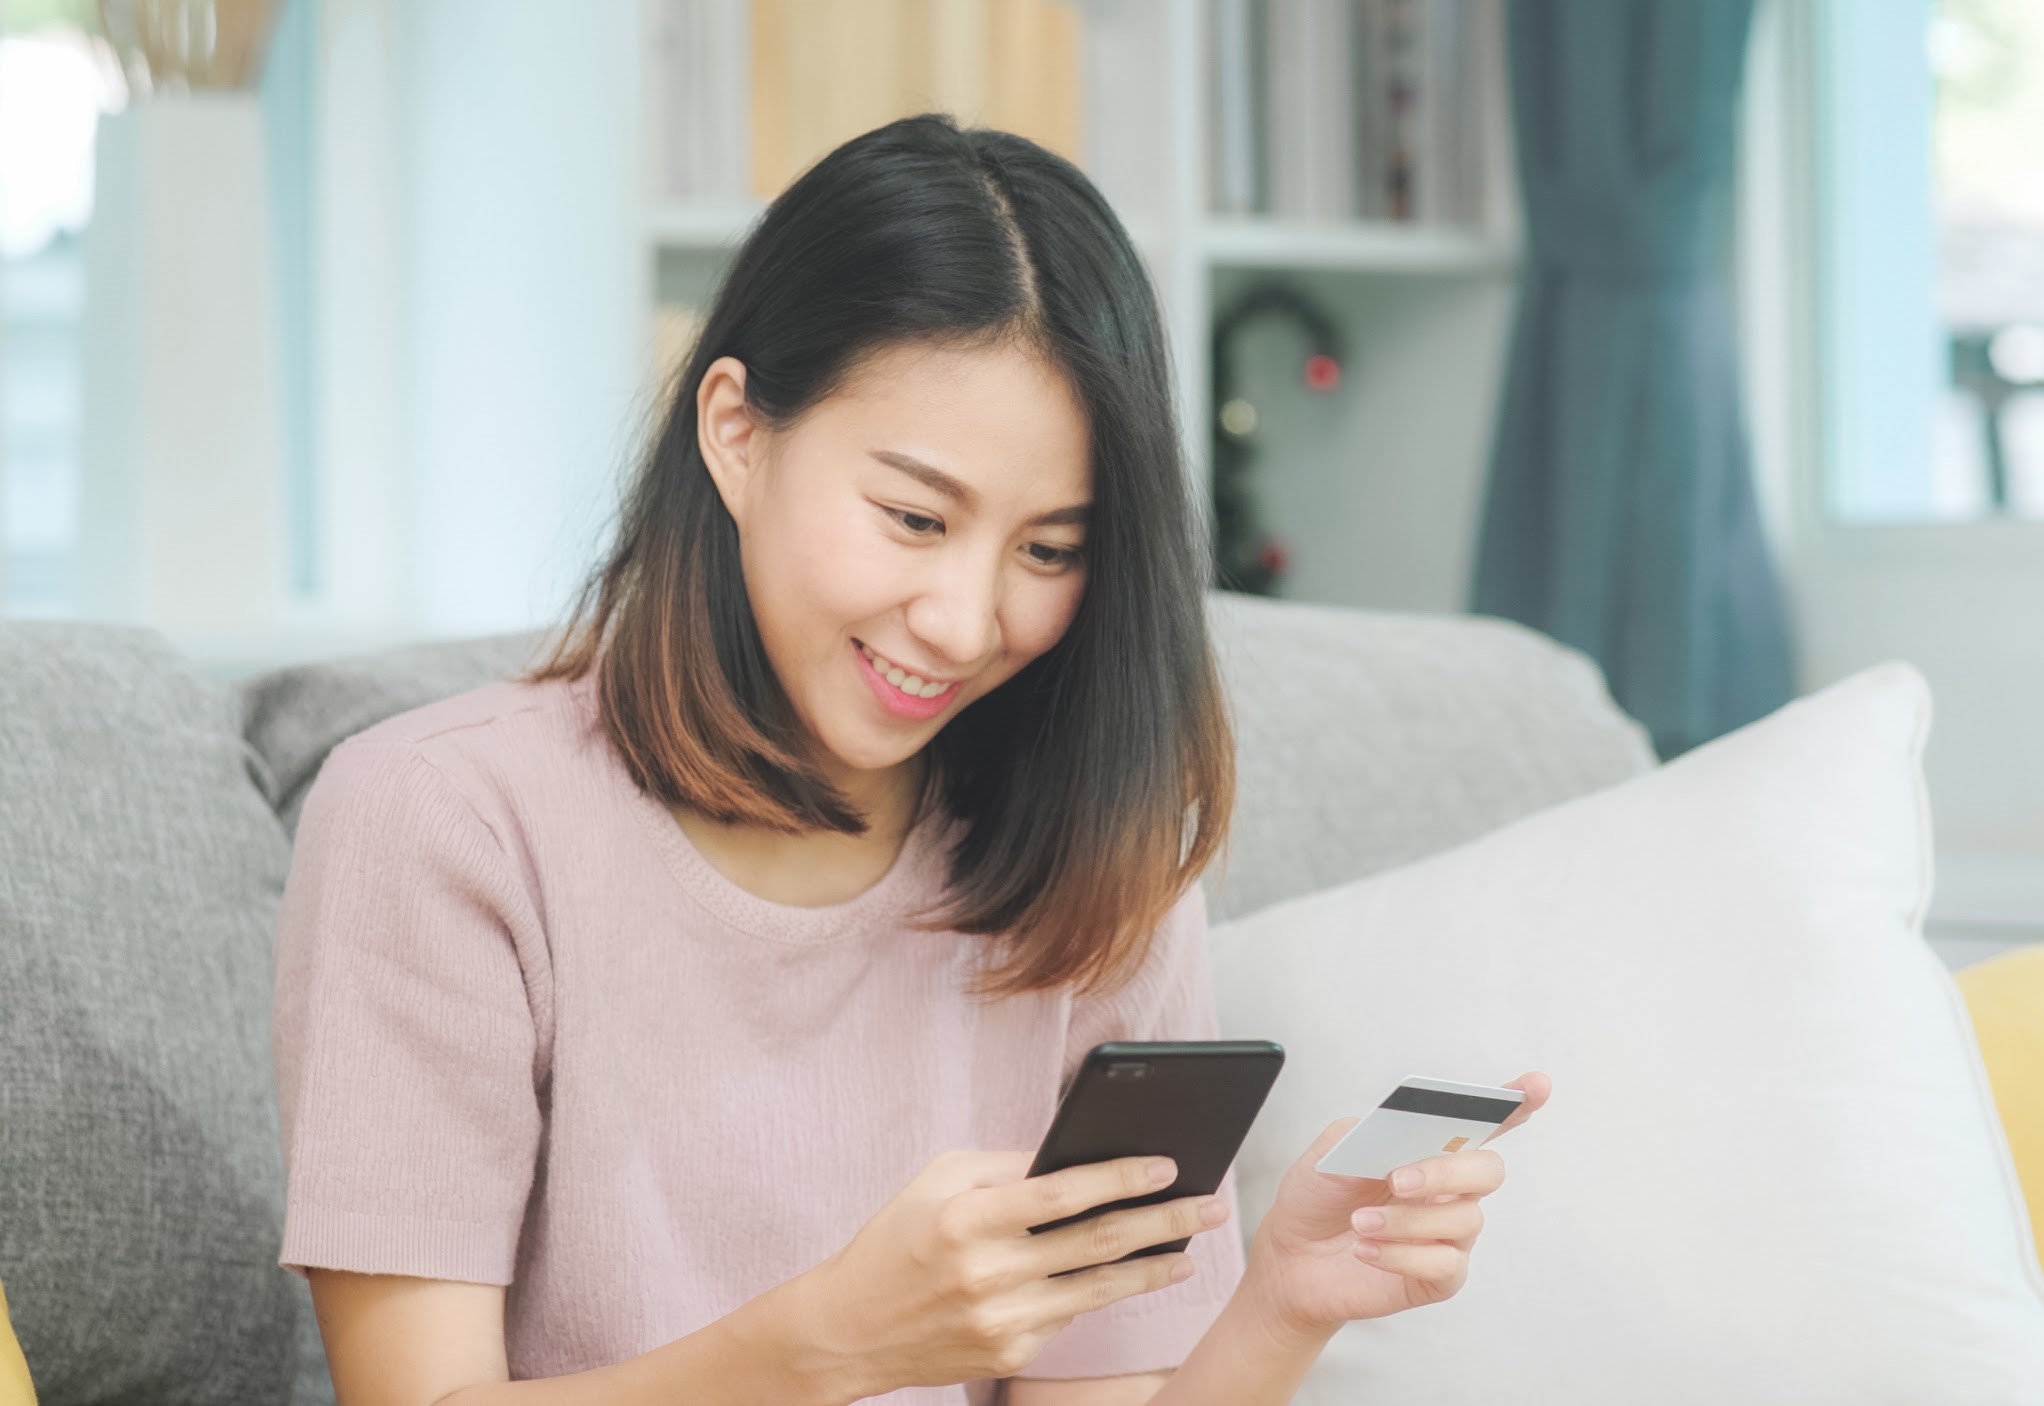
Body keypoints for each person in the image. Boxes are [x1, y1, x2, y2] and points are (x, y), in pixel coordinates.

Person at [272, 113, 1548, 1405]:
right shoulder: (443, 819)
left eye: (1049, 549)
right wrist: (827, 1345)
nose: (963, 618)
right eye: (914, 516)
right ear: (736, 430)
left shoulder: (1098, 863)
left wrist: (1281, 1308)